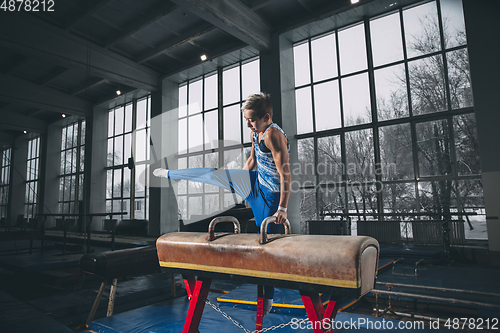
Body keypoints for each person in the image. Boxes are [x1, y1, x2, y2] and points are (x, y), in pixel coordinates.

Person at [153, 92, 291, 315]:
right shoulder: (255, 133)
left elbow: (286, 175)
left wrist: (282, 208)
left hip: (272, 197)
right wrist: (238, 183)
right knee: (214, 174)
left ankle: (267, 298)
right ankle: (171, 173)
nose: (248, 124)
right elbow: (251, 161)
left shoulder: (273, 135)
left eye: (252, 120)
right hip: (255, 184)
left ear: (266, 117)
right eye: (246, 119)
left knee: (266, 250)